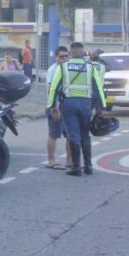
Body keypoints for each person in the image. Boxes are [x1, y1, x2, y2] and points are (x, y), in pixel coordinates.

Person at [46, 41, 106, 177]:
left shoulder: (63, 67)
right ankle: (89, 166)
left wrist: (51, 106)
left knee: (73, 134)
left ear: (71, 52)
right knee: (85, 134)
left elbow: (54, 88)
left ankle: (76, 167)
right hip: (86, 104)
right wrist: (100, 109)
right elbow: (98, 89)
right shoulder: (90, 67)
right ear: (83, 52)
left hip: (69, 104)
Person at [44, 46, 71, 170]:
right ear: (56, 57)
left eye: (66, 56)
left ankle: (70, 160)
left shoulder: (68, 69)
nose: (64, 58)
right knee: (54, 134)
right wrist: (54, 106)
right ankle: (51, 160)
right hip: (56, 107)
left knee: (70, 135)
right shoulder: (53, 70)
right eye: (61, 56)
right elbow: (50, 89)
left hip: (67, 107)